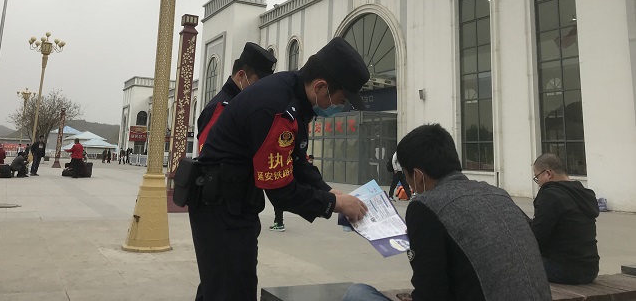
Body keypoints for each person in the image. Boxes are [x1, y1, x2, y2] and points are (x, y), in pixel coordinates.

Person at [189, 37, 370, 301]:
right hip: (220, 208)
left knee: (221, 287)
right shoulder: (276, 108)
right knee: (231, 290)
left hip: (235, 202)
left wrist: (329, 191)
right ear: (321, 87)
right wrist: (334, 204)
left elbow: (297, 161)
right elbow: (281, 191)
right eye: (340, 100)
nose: (339, 108)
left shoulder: (295, 96)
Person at [343, 123, 551, 301]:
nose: (409, 184)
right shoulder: (499, 194)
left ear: (417, 175)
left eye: (406, 176)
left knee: (357, 293)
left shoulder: (425, 206)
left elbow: (431, 291)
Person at [196, 41, 277, 153]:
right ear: (241, 76)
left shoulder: (247, 106)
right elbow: (208, 154)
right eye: (258, 82)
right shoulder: (220, 108)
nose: (262, 88)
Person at [531, 153, 600, 284]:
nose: (538, 183)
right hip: (590, 270)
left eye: (537, 177)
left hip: (563, 270)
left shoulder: (550, 195)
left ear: (548, 173)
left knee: (512, 263)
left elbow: (537, 238)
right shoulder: (583, 193)